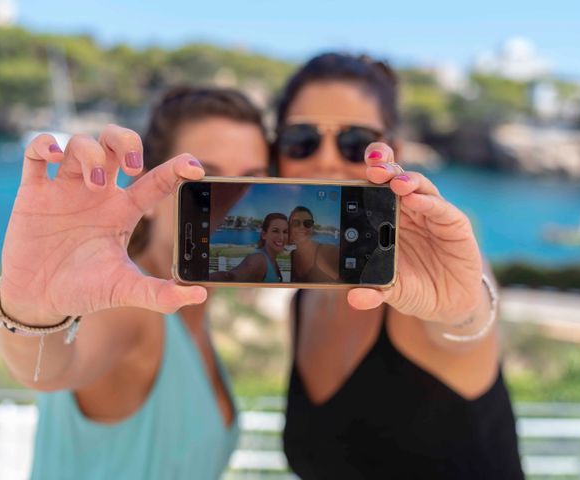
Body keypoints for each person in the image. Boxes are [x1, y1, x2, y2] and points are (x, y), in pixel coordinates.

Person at [0, 86, 268, 479]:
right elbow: (49, 370)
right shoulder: (131, 311)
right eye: (205, 180)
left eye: (253, 182)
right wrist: (32, 312)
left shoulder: (192, 312)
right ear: (154, 192)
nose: (235, 200)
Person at [274, 53, 524, 479]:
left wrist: (461, 308)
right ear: (277, 153)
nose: (327, 161)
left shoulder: (421, 275)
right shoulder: (305, 296)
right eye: (302, 140)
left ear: (395, 153)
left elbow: (464, 324)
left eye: (355, 142)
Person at [210, 212, 288, 282]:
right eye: (275, 231)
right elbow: (230, 277)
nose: (281, 237)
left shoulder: (271, 260)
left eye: (285, 232)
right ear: (264, 235)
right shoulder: (258, 259)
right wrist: (203, 279)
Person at [287, 206, 339, 282]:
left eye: (307, 223)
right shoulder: (292, 255)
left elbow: (345, 282)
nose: (302, 227)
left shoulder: (326, 250)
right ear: (290, 227)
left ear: (312, 228)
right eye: (296, 223)